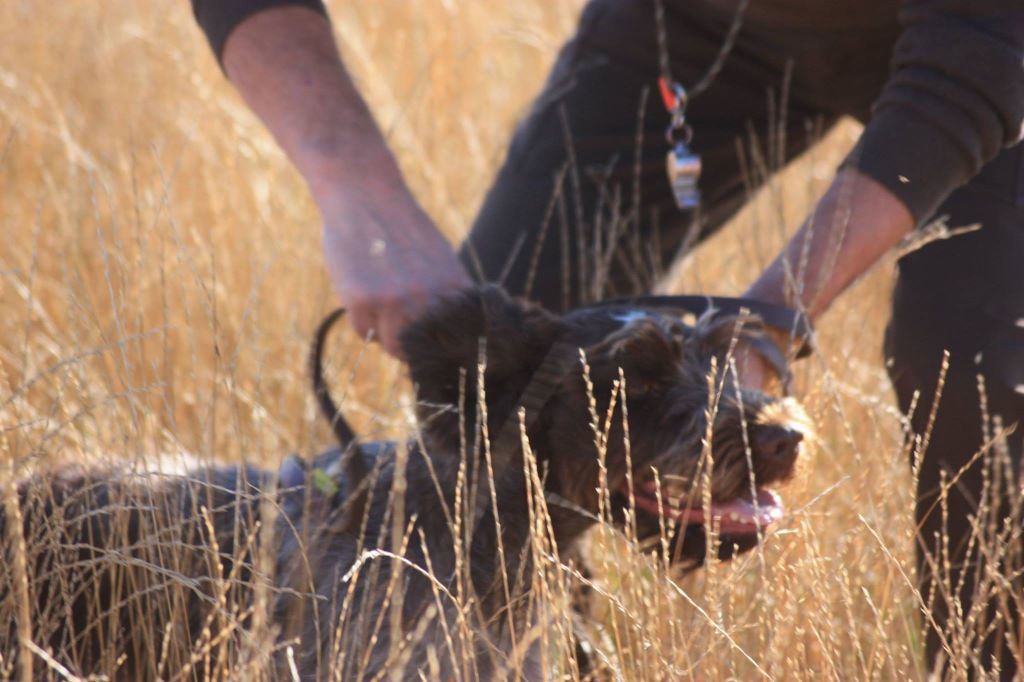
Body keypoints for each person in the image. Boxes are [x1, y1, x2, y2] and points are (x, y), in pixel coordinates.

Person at [190, 0, 1024, 676]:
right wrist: (354, 186)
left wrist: (768, 319)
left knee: (976, 376)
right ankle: (534, 654)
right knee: (502, 349)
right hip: (701, 25)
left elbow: (980, 52)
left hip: (994, 42)